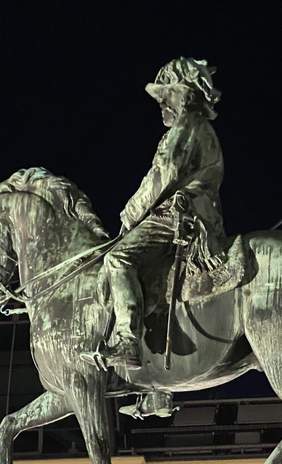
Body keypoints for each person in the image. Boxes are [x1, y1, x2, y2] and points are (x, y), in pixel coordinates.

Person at [104, 57, 224, 373]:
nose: (160, 103)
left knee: (117, 259)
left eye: (165, 95)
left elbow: (162, 177)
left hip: (173, 217)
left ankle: (127, 339)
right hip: (183, 215)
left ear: (184, 94)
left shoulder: (188, 127)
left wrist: (129, 216)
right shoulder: (196, 129)